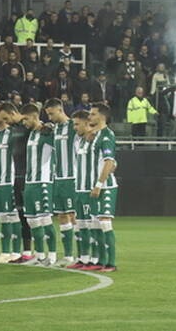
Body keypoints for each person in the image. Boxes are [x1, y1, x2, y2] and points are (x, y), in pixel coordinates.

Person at [21, 102, 56, 265]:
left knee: (45, 219)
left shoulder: (47, 132)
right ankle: (40, 256)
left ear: (35, 116)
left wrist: (51, 126)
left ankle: (52, 256)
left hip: (42, 181)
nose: (24, 122)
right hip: (30, 182)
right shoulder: (32, 134)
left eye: (26, 119)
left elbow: (62, 148)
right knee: (32, 221)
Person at [85, 102, 118, 272]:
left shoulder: (106, 136)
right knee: (95, 224)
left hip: (105, 186)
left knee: (105, 223)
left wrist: (99, 184)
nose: (89, 116)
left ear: (102, 116)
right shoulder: (96, 136)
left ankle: (111, 263)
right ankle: (101, 261)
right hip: (96, 186)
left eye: (93, 114)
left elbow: (109, 162)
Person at [0, 103, 25, 263]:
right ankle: (5, 252)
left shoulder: (13, 134)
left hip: (10, 181)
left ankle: (16, 252)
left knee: (14, 216)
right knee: (3, 217)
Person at [46, 98, 79, 266]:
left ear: (60, 110)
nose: (50, 117)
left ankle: (83, 255)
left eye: (52, 113)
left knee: (74, 216)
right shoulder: (55, 129)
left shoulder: (74, 126)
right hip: (57, 179)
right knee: (61, 216)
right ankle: (68, 255)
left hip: (71, 178)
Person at [67, 110, 96, 269]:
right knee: (80, 225)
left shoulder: (96, 139)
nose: (75, 127)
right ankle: (83, 258)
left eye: (77, 124)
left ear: (86, 123)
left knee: (93, 226)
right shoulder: (79, 141)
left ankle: (95, 259)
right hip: (79, 188)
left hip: (90, 189)